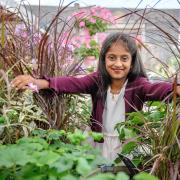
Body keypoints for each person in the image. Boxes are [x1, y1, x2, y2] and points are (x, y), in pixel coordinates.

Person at [11, 32, 180, 161]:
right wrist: (37, 82)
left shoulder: (138, 84)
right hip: (98, 142)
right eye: (112, 57)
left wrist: (175, 89)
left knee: (123, 174)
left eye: (124, 58)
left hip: (127, 144)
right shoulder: (97, 80)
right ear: (104, 59)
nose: (118, 64)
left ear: (133, 61)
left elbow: (157, 89)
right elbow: (72, 83)